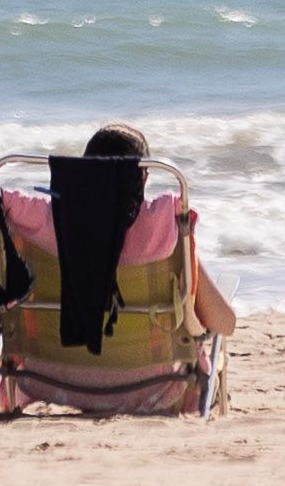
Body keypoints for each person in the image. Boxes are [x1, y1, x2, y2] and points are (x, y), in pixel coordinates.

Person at [82, 122, 235, 335]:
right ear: (144, 176)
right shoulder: (165, 229)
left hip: (59, 354)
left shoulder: (53, 229)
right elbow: (224, 324)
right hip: (155, 354)